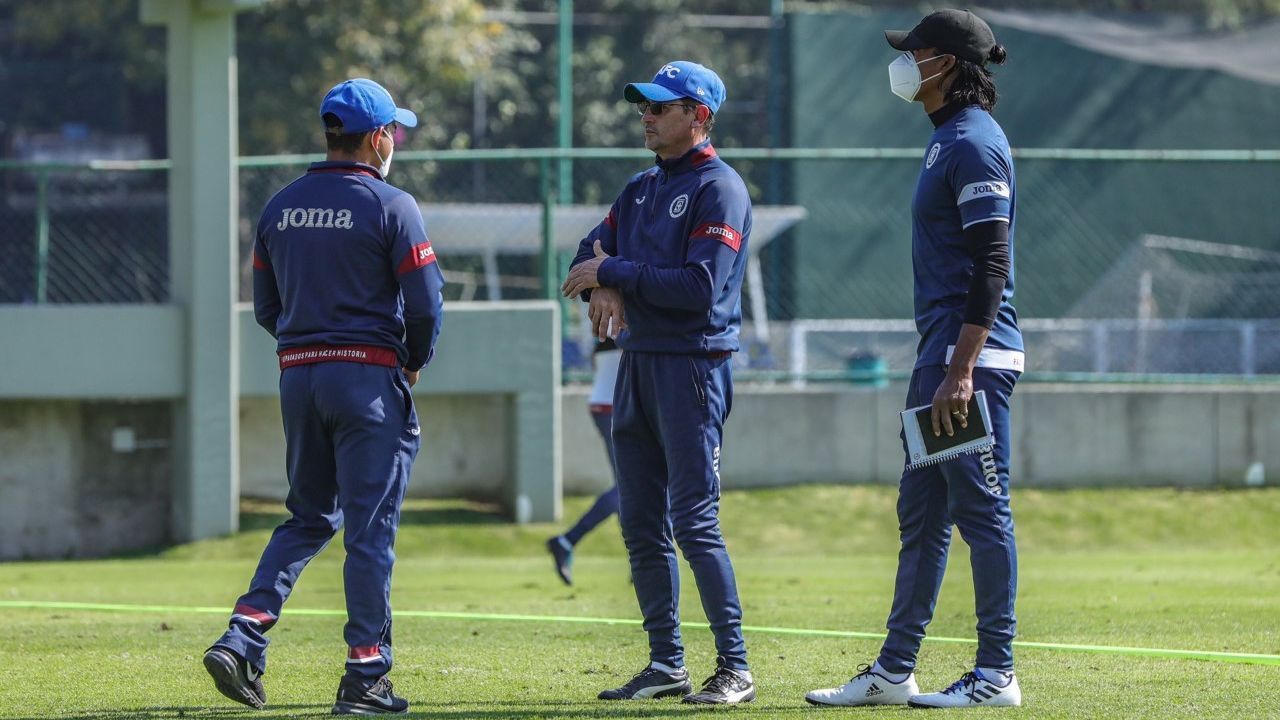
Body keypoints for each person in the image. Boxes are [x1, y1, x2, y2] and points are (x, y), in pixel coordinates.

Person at [202, 78, 445, 715]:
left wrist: (306, 348)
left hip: (299, 376)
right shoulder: (393, 205)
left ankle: (243, 634)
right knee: (370, 530)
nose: (395, 140)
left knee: (309, 516)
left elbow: (265, 308)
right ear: (376, 137)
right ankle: (365, 680)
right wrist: (411, 361)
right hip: (366, 380)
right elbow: (426, 305)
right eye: (393, 130)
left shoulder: (278, 206)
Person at [805, 9, 1025, 710]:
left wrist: (961, 370)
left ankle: (997, 675)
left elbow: (992, 264)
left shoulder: (975, 144)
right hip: (943, 358)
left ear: (948, 66)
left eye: (917, 52)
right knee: (923, 512)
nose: (905, 64)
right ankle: (895, 670)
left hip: (972, 362)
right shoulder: (945, 141)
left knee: (982, 510)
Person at [560, 60, 755, 706]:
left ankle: (735, 668)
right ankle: (665, 663)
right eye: (644, 106)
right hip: (637, 366)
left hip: (693, 368)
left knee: (694, 523)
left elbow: (699, 290)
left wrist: (612, 269)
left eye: (661, 107)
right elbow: (585, 255)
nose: (646, 116)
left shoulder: (719, 189)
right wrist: (607, 276)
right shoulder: (640, 188)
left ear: (698, 116)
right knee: (641, 523)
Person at [546, 338, 623, 585]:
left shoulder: (612, 313)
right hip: (616, 407)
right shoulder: (631, 309)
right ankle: (567, 540)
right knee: (631, 486)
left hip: (607, 404)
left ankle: (642, 556)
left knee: (631, 489)